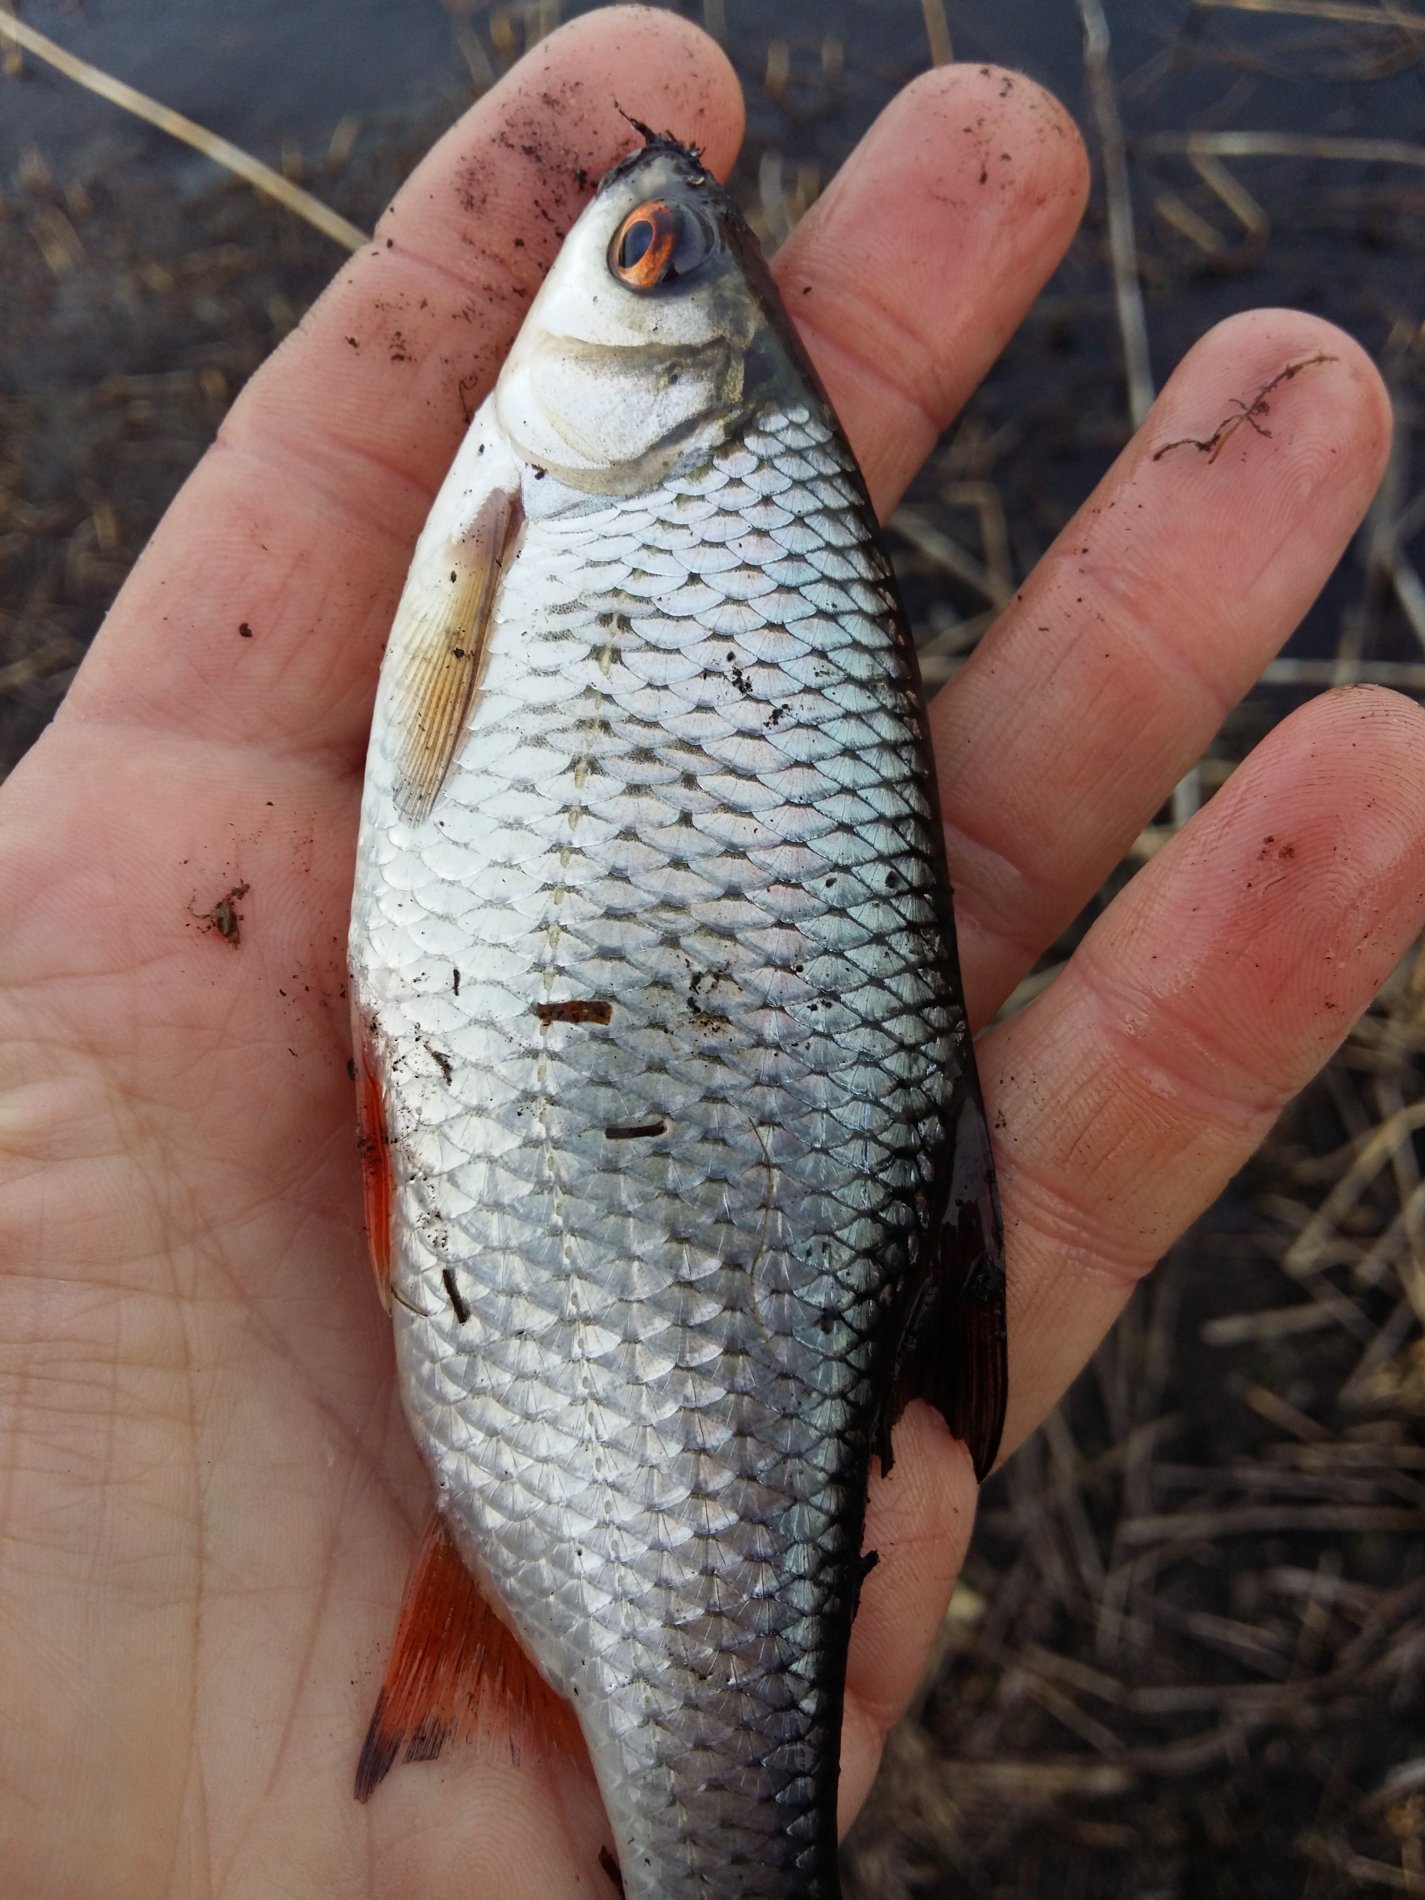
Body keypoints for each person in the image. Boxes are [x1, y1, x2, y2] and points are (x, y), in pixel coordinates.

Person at [1, 9, 1421, 1894]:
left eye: (644, 253)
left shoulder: (544, 507)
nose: (627, 228)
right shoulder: (625, 506)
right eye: (655, 250)